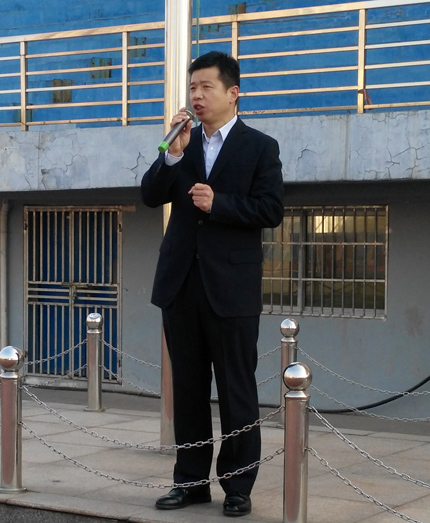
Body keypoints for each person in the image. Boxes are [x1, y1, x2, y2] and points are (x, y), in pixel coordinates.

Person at [141, 51, 284, 517]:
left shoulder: (259, 147)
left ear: (232, 92)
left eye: (206, 87)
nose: (197, 96)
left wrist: (218, 203)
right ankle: (190, 482)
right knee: (188, 390)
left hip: (231, 288)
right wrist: (172, 155)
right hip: (181, 284)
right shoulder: (181, 144)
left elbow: (271, 210)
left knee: (237, 390)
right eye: (192, 88)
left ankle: (238, 486)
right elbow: (149, 195)